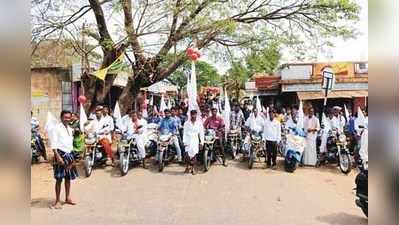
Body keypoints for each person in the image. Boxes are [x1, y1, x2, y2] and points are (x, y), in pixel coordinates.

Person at [50, 110, 78, 209]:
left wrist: (73, 157)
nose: (67, 119)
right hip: (60, 155)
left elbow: (70, 144)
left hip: (69, 155)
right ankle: (57, 201)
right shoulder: (56, 128)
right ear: (61, 117)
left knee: (68, 178)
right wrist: (58, 157)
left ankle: (67, 198)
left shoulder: (70, 129)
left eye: (69, 117)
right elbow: (53, 144)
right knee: (59, 179)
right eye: (65, 117)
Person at [183, 110, 204, 175]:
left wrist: (201, 143)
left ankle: (193, 168)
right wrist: (184, 142)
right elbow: (184, 133)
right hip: (188, 140)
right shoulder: (186, 123)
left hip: (195, 140)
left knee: (194, 155)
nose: (193, 116)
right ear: (190, 115)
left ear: (196, 115)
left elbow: (201, 133)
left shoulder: (199, 123)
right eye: (192, 114)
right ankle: (187, 166)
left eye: (195, 114)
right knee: (187, 155)